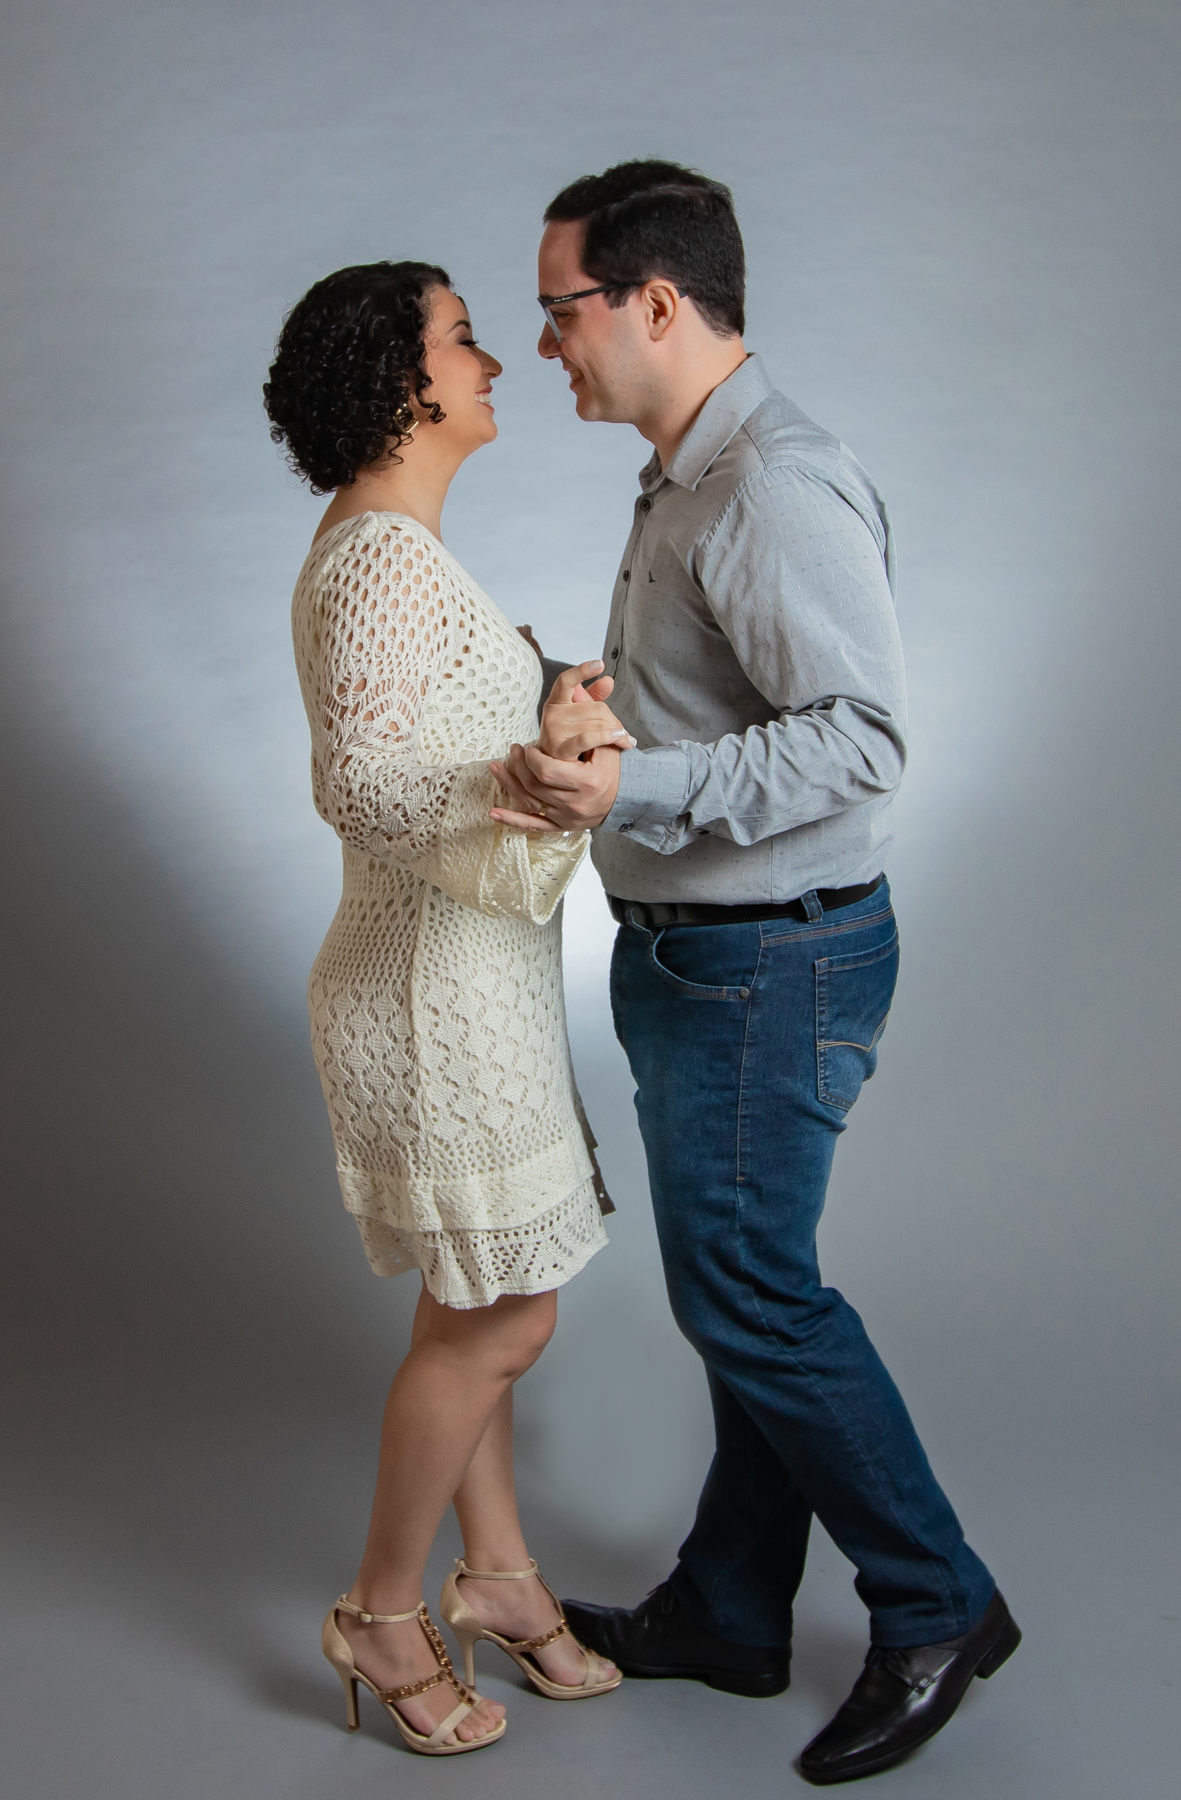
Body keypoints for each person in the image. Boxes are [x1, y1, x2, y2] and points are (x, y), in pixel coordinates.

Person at [490, 161, 1021, 1786]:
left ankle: (937, 1602)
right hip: (703, 961)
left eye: (560, 311)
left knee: (753, 1297)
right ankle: (731, 1608)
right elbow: (731, 708)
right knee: (745, 1294)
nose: (545, 346)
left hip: (765, 967)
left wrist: (631, 785)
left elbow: (863, 745)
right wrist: (588, 702)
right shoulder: (684, 475)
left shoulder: (775, 482)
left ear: (654, 302)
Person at [264, 262, 625, 1758]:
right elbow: (358, 779)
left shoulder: (399, 549)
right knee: (506, 1315)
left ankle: (501, 1578)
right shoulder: (376, 558)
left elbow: (431, 742)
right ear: (403, 383)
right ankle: (382, 1612)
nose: (494, 359)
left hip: (465, 983)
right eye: (464, 338)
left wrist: (546, 709)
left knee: (471, 1301)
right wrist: (515, 775)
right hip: (424, 1000)